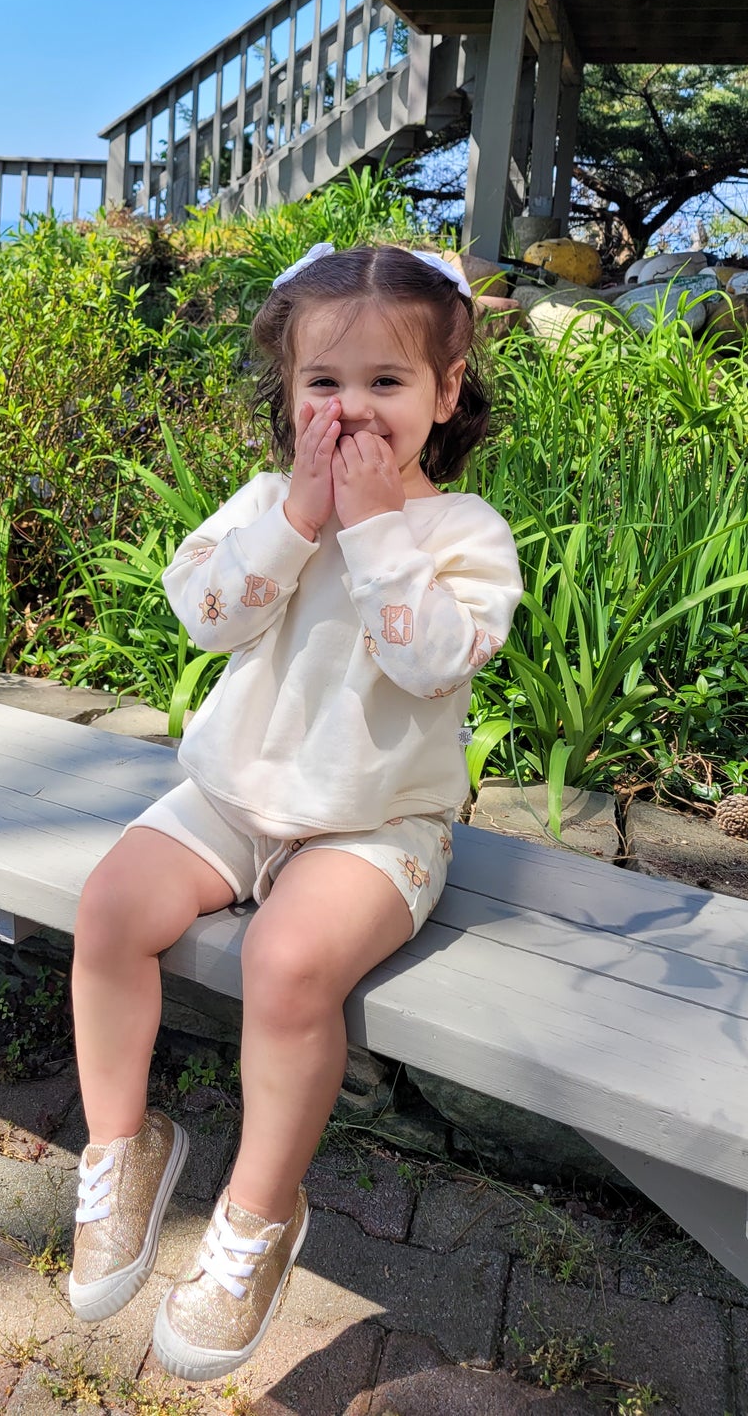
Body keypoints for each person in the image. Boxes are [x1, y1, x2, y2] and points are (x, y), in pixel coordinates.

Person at [66, 241, 524, 1382]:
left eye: (385, 384)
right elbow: (205, 613)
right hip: (232, 796)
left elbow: (431, 665)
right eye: (324, 385)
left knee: (284, 964)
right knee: (109, 907)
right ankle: (120, 1146)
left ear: (445, 391)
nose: (351, 412)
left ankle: (257, 1216)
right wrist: (301, 519)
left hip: (377, 827)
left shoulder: (462, 533)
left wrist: (373, 532)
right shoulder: (269, 502)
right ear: (287, 393)